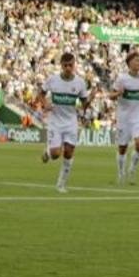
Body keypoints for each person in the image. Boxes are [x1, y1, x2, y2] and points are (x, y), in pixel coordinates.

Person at [36, 52, 92, 194]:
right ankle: (48, 151)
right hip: (55, 121)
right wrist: (45, 104)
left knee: (68, 152)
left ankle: (61, 184)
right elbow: (40, 94)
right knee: (56, 154)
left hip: (71, 122)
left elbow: (84, 103)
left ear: (74, 65)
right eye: (65, 65)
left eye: (70, 65)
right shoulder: (52, 80)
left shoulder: (80, 83)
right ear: (61, 65)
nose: (68, 68)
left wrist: (88, 101)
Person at [111, 50, 139, 185]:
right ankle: (120, 172)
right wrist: (118, 93)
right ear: (129, 63)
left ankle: (132, 170)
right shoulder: (122, 78)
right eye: (136, 60)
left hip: (138, 117)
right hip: (124, 118)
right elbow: (110, 95)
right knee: (122, 148)